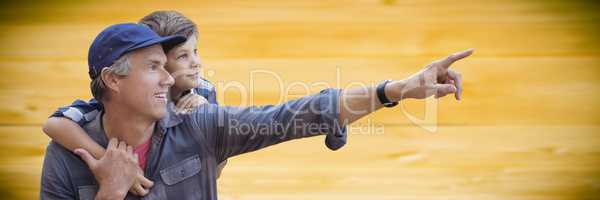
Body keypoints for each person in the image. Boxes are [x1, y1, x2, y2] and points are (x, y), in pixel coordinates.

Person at [40, 21, 471, 199]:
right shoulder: (65, 158)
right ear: (113, 79)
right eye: (155, 69)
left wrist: (396, 89)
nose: (172, 79)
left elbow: (300, 114)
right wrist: (110, 193)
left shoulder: (202, 122)